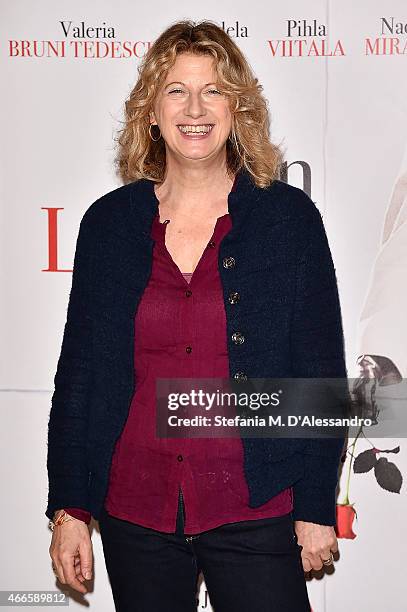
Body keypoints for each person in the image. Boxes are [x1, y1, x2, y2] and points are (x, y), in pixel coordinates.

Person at [47, 19, 348, 612]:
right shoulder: (106, 227)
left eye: (213, 90)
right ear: (151, 111)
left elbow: (319, 374)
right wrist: (69, 508)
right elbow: (79, 376)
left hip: (254, 506)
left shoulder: (287, 220)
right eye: (177, 90)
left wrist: (315, 506)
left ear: (238, 108)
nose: (195, 107)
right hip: (135, 510)